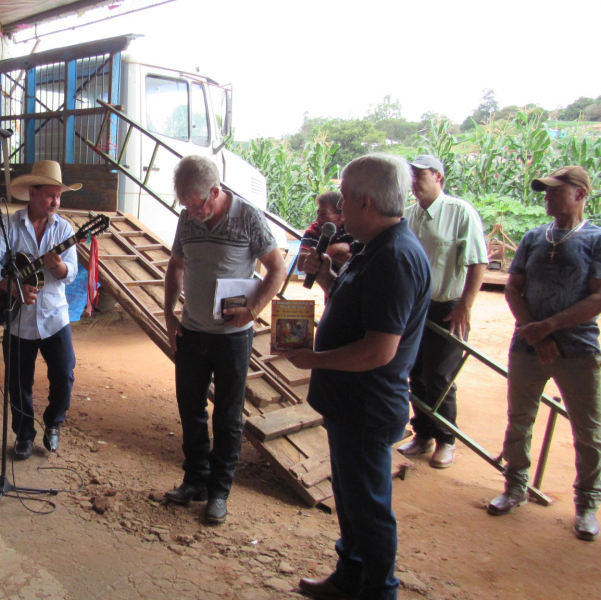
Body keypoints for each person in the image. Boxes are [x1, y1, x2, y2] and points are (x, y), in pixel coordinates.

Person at [287, 154, 431, 600]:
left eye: (344, 199)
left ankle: (377, 590)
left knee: (368, 507)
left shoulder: (395, 258)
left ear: (365, 202)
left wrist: (314, 360)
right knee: (350, 500)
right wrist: (327, 276)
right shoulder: (374, 249)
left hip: (368, 405)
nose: (338, 209)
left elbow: (378, 349)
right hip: (349, 402)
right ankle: (349, 576)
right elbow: (356, 309)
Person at [162, 155, 286, 525]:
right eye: (184, 205)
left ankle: (219, 492)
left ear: (215, 192)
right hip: (191, 331)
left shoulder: (248, 217)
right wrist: (169, 313)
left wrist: (254, 310)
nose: (190, 212)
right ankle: (194, 481)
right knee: (191, 410)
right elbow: (176, 265)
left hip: (232, 337)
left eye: (196, 204)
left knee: (228, 417)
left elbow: (277, 269)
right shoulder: (188, 217)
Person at [489, 166, 601, 542]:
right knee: (519, 419)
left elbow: (598, 297)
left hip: (578, 347)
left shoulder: (595, 239)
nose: (548, 196)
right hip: (528, 345)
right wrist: (534, 334)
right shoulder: (534, 237)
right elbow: (513, 288)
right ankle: (514, 487)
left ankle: (587, 504)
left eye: (557, 190)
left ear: (581, 194)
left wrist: (548, 328)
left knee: (588, 430)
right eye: (546, 191)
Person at [0, 160, 80, 460]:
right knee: (19, 383)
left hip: (54, 317)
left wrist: (58, 266)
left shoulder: (65, 229)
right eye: (50, 195)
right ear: (32, 193)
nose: (55, 202)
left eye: (59, 196)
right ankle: (23, 434)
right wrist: (7, 284)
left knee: (64, 374)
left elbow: (71, 271)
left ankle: (53, 424)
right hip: (18, 318)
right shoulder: (9, 226)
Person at [399, 154, 488, 469]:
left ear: (438, 176)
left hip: (446, 308)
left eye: (419, 174)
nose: (413, 181)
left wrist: (465, 305)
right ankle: (422, 434)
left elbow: (478, 261)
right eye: (410, 175)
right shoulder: (408, 215)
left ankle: (446, 439)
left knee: (439, 375)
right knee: (414, 373)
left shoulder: (459, 212)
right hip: (413, 308)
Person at [298, 191, 355, 271]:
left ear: (341, 217)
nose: (318, 219)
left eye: (324, 214)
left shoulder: (351, 229)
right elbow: (301, 263)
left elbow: (358, 264)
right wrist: (332, 250)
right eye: (318, 214)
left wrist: (318, 255)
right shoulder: (314, 229)